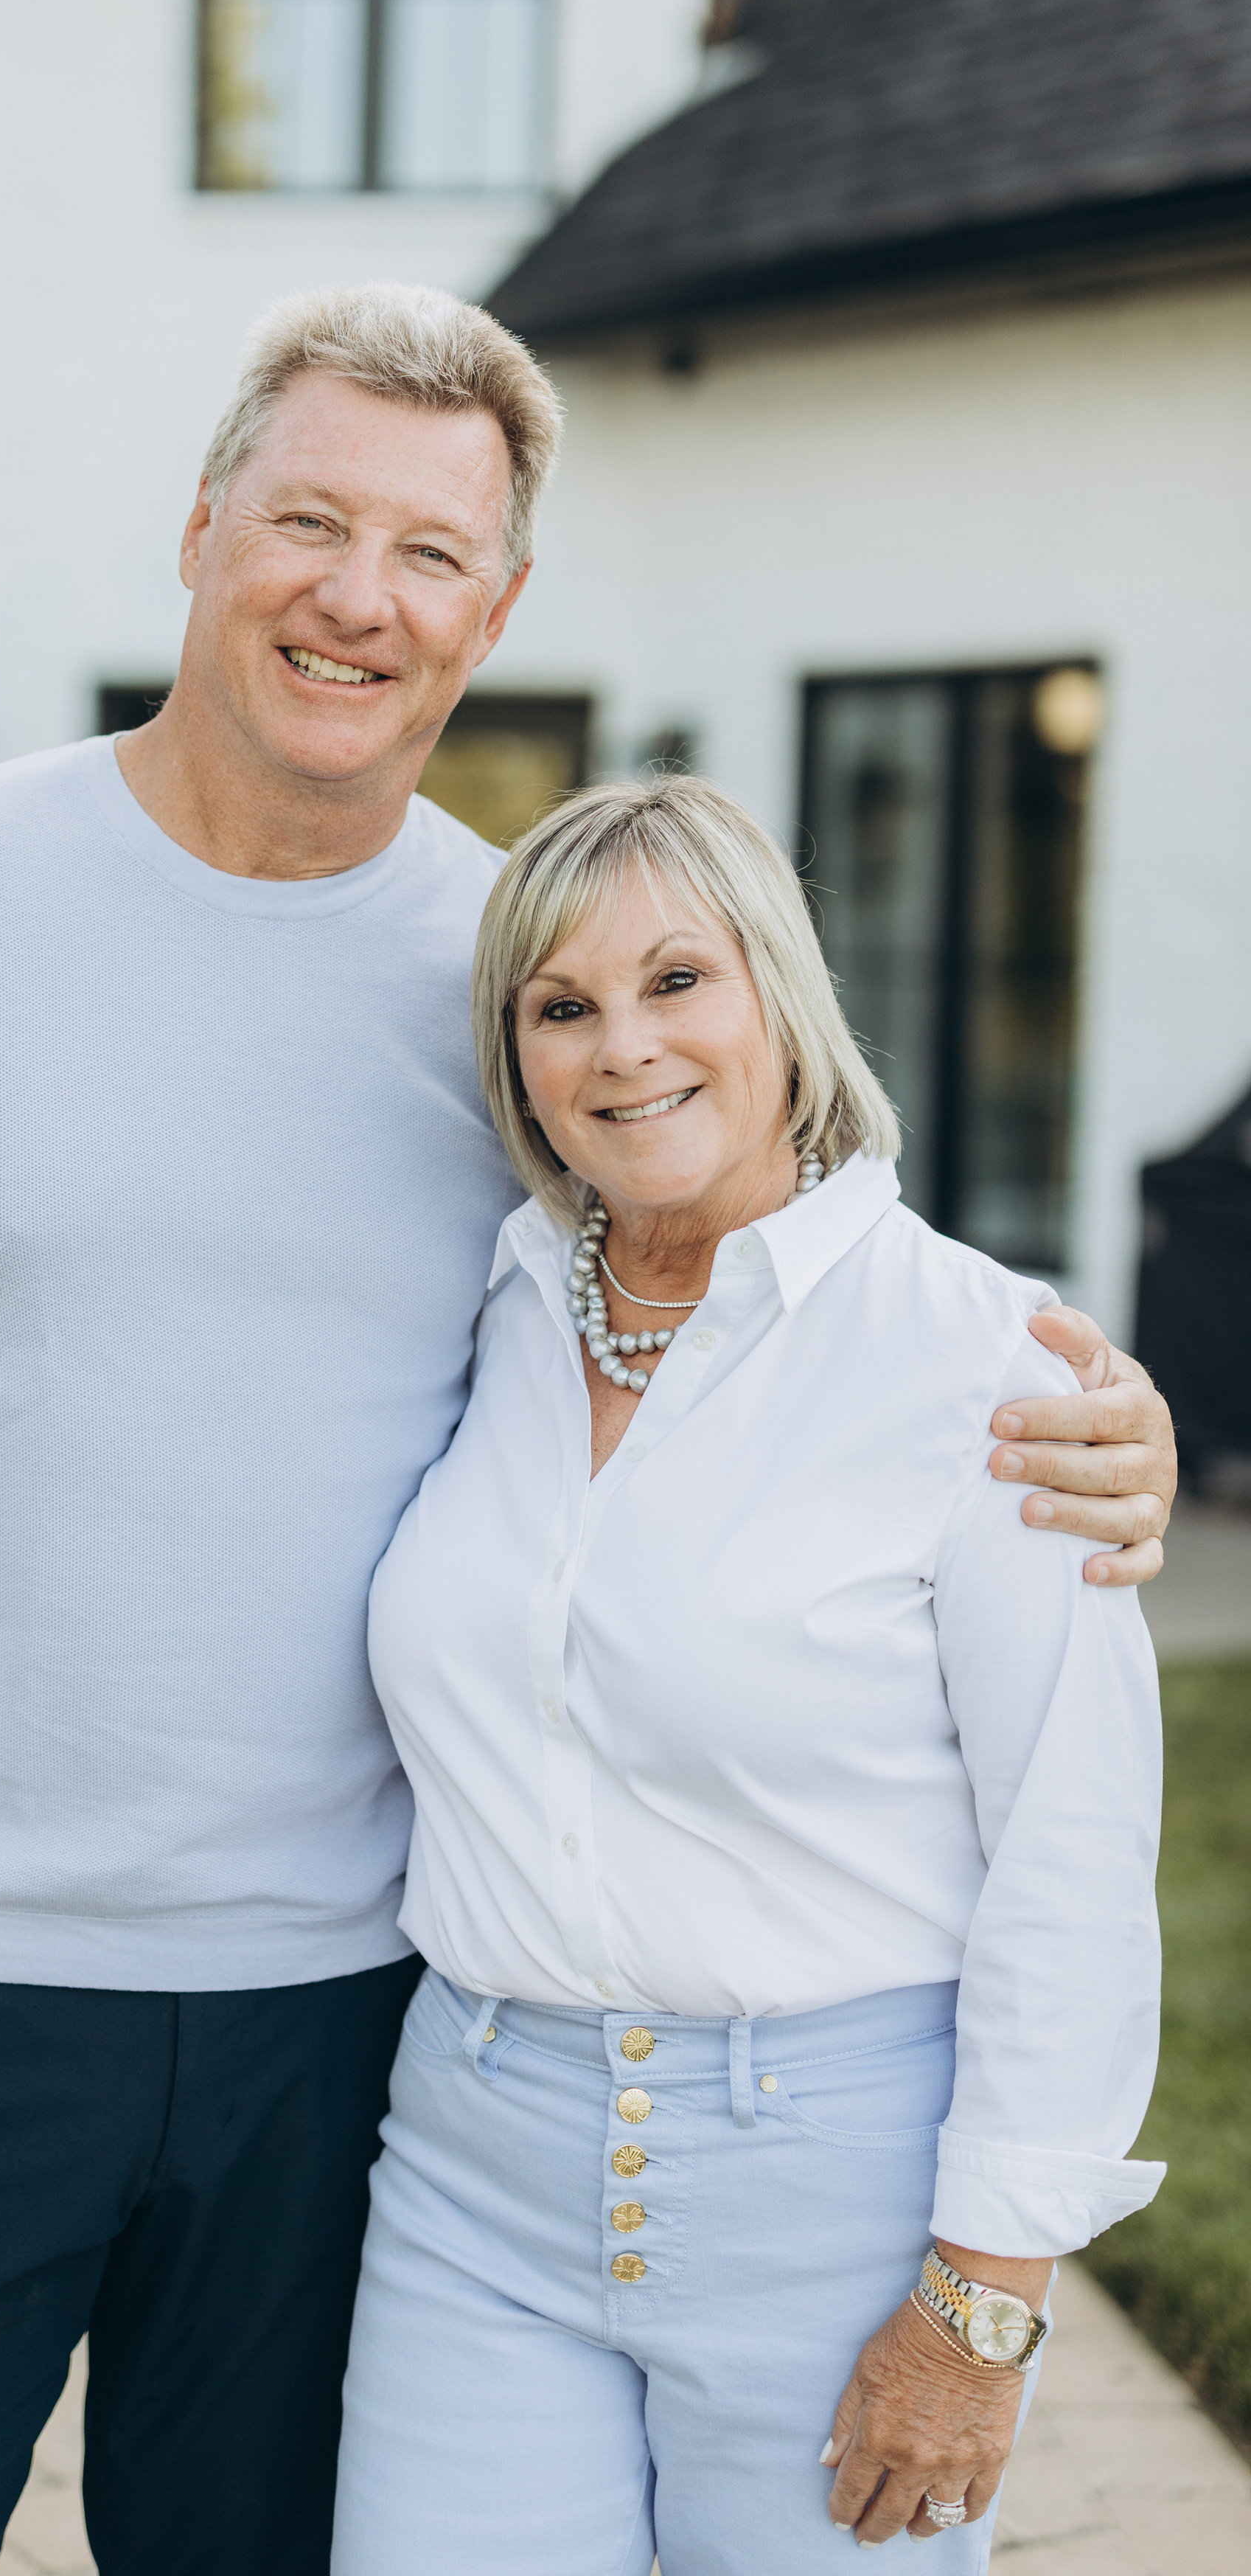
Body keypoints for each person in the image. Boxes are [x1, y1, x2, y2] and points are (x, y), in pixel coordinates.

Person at [0, 286, 1175, 2576]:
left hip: (354, 2016)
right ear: (201, 531)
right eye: (308, 520)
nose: (356, 595)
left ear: (493, 613)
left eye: (428, 554)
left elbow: (777, 1291)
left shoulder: (515, 983)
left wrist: (1091, 1418)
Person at [336, 776, 1165, 2575]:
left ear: (781, 995)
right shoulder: (483, 1312)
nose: (620, 1049)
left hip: (837, 2193)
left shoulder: (983, 1362)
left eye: (675, 981)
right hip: (471, 2171)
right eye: (559, 1007)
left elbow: (1072, 1860)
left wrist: (981, 2300)